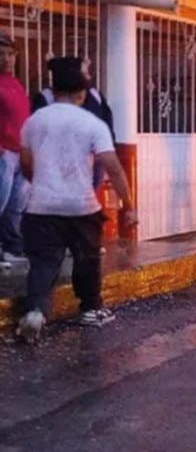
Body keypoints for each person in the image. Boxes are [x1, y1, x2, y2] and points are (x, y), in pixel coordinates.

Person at [16, 61, 136, 341]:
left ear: (53, 90)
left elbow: (25, 163)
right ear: (82, 94)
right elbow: (113, 166)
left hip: (41, 207)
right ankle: (90, 309)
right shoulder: (92, 124)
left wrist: (41, 184)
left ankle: (35, 311)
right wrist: (128, 206)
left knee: (44, 262)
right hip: (81, 206)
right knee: (87, 258)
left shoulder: (34, 121)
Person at [34, 57, 116, 191]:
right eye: (84, 73)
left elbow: (107, 123)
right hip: (60, 159)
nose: (88, 77)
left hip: (94, 158)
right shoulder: (46, 96)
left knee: (89, 193)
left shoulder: (94, 94)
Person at [0, 34, 29, 269]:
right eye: (2, 55)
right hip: (4, 152)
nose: (7, 59)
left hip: (20, 152)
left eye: (10, 54)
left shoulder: (15, 83)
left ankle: (11, 246)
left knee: (16, 205)